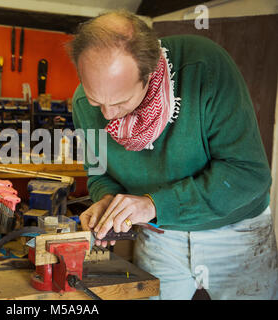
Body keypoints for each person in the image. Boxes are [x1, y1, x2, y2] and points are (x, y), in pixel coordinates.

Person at [68, 9, 277, 299]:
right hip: (159, 236)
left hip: (236, 232)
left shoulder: (204, 68)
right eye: (95, 100)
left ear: (150, 71)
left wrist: (154, 205)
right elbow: (99, 171)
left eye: (121, 101)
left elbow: (248, 175)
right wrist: (108, 200)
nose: (107, 114)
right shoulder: (82, 102)